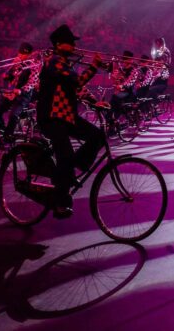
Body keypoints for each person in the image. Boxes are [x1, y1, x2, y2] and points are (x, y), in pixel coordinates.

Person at [36, 24, 106, 218]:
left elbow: (77, 89)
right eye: (69, 42)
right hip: (51, 117)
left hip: (66, 117)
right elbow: (76, 81)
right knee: (65, 157)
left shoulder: (66, 64)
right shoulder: (53, 62)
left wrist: (95, 102)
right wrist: (94, 67)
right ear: (58, 44)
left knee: (97, 135)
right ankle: (60, 201)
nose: (73, 46)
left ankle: (70, 170)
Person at [0, 42, 40, 139]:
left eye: (24, 54)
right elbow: (9, 76)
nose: (21, 56)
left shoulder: (34, 66)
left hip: (24, 95)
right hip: (11, 92)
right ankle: (3, 129)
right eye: (20, 53)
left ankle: (8, 135)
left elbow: (32, 83)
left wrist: (21, 91)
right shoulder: (16, 62)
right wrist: (9, 72)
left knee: (13, 115)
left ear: (30, 54)